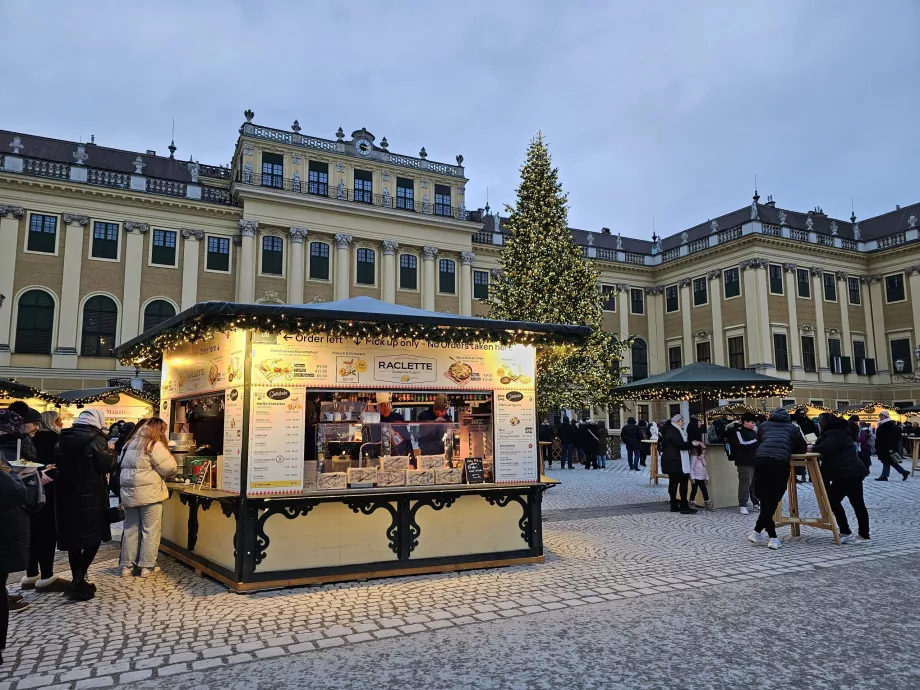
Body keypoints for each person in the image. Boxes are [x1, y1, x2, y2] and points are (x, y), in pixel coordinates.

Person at [54, 409, 116, 601]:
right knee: (93, 538)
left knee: (74, 540)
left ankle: (77, 580)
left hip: (66, 497)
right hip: (92, 497)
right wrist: (112, 451)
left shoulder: (62, 439)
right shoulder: (97, 440)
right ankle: (78, 580)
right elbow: (106, 466)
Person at [119, 418, 178, 577]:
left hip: (129, 495)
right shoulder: (153, 444)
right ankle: (147, 566)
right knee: (150, 530)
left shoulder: (128, 444)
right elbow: (169, 468)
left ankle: (127, 566)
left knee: (130, 530)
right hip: (150, 496)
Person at [20, 411, 70, 593]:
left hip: (28, 493)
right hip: (49, 493)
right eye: (60, 421)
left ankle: (31, 574)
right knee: (47, 535)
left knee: (31, 534)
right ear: (54, 422)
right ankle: (47, 576)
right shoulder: (57, 441)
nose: (62, 424)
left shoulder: (27, 440)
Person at [748, 408, 806, 550]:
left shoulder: (764, 426)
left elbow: (761, 440)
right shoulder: (793, 428)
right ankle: (773, 537)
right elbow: (802, 448)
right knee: (773, 499)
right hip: (779, 462)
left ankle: (756, 532)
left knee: (766, 498)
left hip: (761, 459)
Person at [812, 413, 870, 543]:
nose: (819, 427)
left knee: (833, 500)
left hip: (847, 473)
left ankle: (847, 532)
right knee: (857, 503)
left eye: (820, 424)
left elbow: (826, 448)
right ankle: (862, 534)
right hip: (851, 472)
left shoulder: (834, 434)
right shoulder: (839, 432)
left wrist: (812, 448)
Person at [659, 414, 699, 514]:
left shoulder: (669, 429)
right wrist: (692, 444)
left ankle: (674, 505)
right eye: (682, 421)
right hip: (676, 461)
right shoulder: (673, 431)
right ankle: (684, 506)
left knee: (673, 483)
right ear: (677, 421)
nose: (683, 423)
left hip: (672, 460)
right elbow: (680, 445)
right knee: (682, 482)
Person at [729, 414, 760, 514]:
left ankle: (755, 502)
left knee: (754, 484)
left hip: (754, 461)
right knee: (745, 483)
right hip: (744, 462)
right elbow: (741, 444)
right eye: (752, 422)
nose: (753, 425)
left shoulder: (754, 432)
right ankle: (743, 504)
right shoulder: (738, 432)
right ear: (745, 422)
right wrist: (756, 441)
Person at [875, 410, 908, 481]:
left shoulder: (889, 425)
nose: (880, 417)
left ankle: (884, 476)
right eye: (880, 415)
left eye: (882, 415)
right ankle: (903, 472)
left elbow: (893, 437)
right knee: (890, 461)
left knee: (886, 460)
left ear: (886, 416)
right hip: (885, 446)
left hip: (887, 446)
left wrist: (890, 446)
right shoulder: (885, 424)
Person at [687, 417, 712, 510]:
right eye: (699, 422)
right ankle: (695, 502)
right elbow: (692, 467)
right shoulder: (694, 453)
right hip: (696, 475)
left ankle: (695, 502)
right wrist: (692, 477)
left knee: (698, 489)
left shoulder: (700, 455)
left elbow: (704, 466)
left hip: (700, 475)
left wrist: (706, 476)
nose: (700, 424)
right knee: (696, 489)